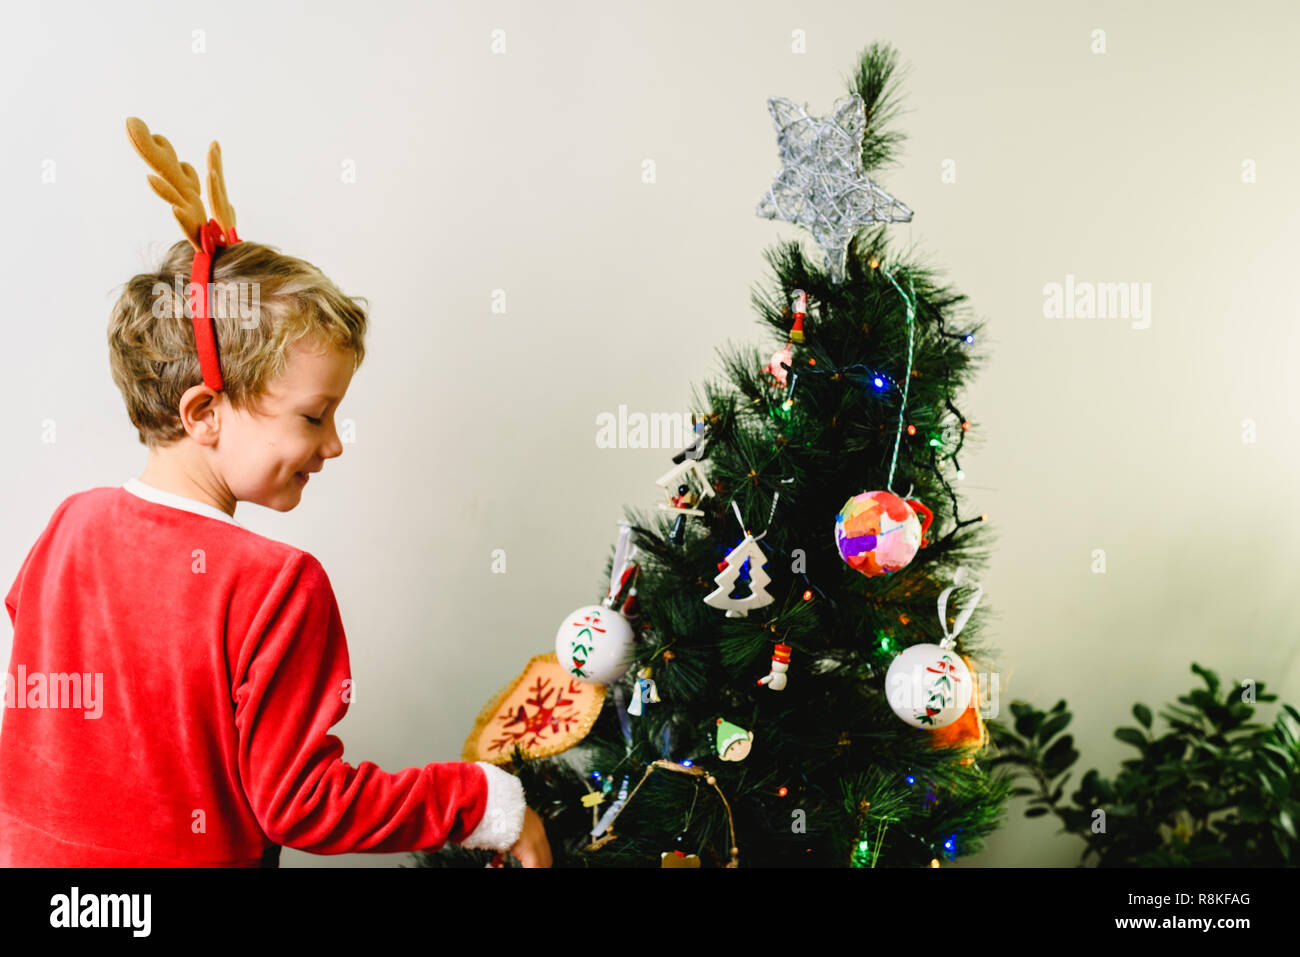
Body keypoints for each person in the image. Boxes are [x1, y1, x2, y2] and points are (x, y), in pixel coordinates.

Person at [0, 118, 551, 868]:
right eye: (314, 416)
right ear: (203, 411)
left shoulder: (70, 524)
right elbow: (302, 804)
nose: (332, 443)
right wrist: (482, 800)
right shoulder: (277, 586)